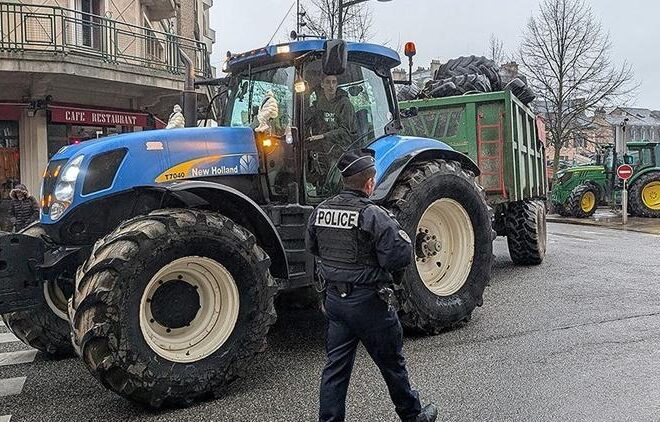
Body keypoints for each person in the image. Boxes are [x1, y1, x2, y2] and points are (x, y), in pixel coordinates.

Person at [306, 150, 438, 422]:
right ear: (369, 184)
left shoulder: (321, 211)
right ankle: (413, 416)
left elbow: (312, 247)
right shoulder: (373, 214)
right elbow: (399, 255)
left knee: (335, 369)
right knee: (392, 365)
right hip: (369, 304)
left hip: (335, 302)